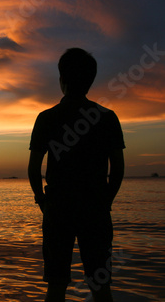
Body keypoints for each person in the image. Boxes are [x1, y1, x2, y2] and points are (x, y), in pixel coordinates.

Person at [28, 48, 125, 302]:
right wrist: (106, 201)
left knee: (56, 285)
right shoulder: (107, 118)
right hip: (95, 209)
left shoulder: (47, 118)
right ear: (90, 81)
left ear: (62, 80)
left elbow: (33, 168)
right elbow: (118, 168)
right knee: (100, 286)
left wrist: (42, 200)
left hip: (58, 208)